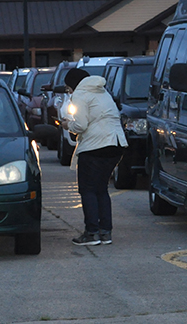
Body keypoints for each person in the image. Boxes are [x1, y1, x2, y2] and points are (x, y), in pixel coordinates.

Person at [65, 68, 127, 246]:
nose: (69, 91)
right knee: (101, 189)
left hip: (95, 147)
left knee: (88, 190)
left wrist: (67, 124)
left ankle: (92, 233)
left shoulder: (80, 94)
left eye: (68, 87)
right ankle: (105, 232)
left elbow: (81, 125)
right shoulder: (102, 92)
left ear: (74, 84)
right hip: (115, 144)